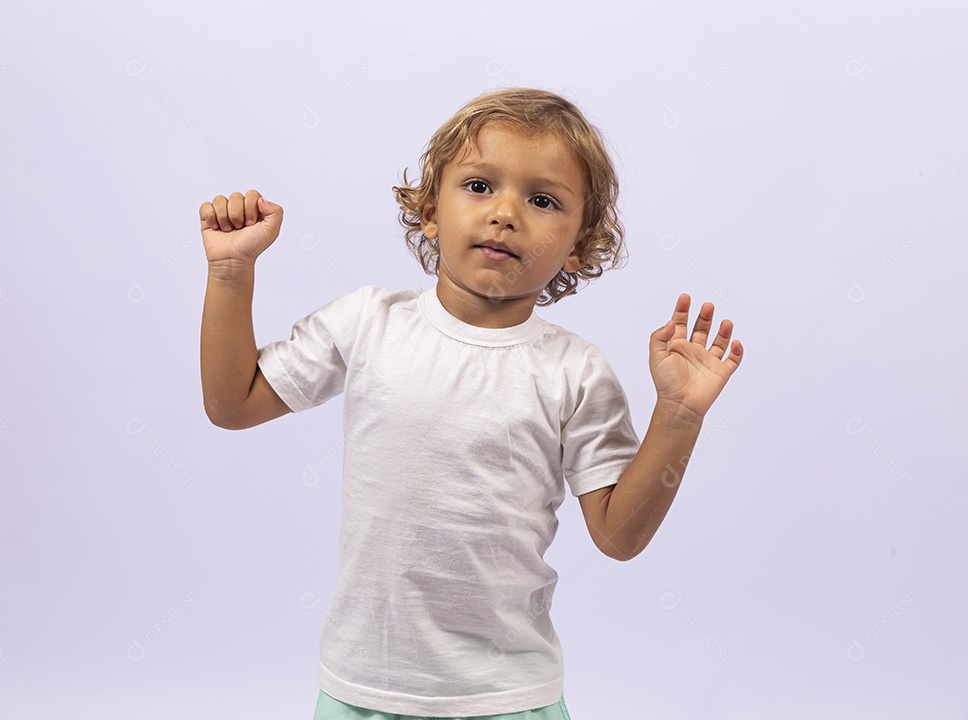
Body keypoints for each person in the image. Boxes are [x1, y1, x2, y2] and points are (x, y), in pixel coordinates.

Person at [198, 87, 743, 720]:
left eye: (543, 200)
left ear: (577, 245)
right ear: (429, 209)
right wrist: (231, 273)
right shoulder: (367, 323)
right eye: (480, 186)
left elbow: (619, 537)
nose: (506, 213)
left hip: (509, 698)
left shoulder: (576, 371)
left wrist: (679, 414)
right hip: (363, 688)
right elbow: (232, 403)